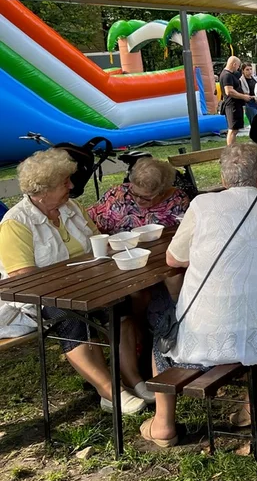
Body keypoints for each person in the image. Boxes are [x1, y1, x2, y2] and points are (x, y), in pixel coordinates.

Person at [140, 144, 257, 446]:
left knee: (163, 332)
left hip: (213, 334)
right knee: (249, 308)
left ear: (223, 176)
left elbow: (174, 259)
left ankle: (163, 425)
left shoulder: (203, 206)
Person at [0, 150, 150, 414]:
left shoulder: (72, 208)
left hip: (86, 285)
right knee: (70, 317)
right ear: (42, 190)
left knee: (122, 306)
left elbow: (96, 241)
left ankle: (132, 378)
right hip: (38, 297)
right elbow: (24, 279)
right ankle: (110, 391)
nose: (71, 186)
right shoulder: (16, 223)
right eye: (64, 182)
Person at [88, 158, 189, 234]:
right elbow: (87, 219)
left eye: (145, 197)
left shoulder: (178, 201)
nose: (138, 200)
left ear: (162, 191)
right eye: (134, 193)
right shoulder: (116, 194)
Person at [219, 56, 252, 145]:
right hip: (231, 105)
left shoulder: (230, 74)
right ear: (234, 64)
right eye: (238, 66)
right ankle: (230, 150)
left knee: (235, 129)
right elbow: (229, 91)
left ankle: (232, 147)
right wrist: (243, 96)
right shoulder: (226, 75)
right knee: (232, 130)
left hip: (236, 105)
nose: (238, 68)